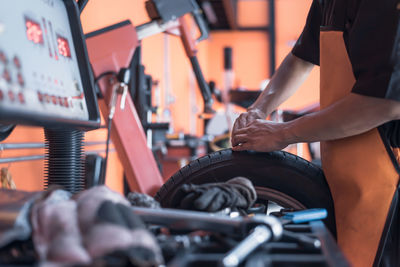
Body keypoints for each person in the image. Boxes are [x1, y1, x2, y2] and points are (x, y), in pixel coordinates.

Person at [231, 1, 400, 266]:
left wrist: (283, 133)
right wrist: (258, 109)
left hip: (390, 182)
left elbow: (386, 103)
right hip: (349, 178)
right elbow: (300, 59)